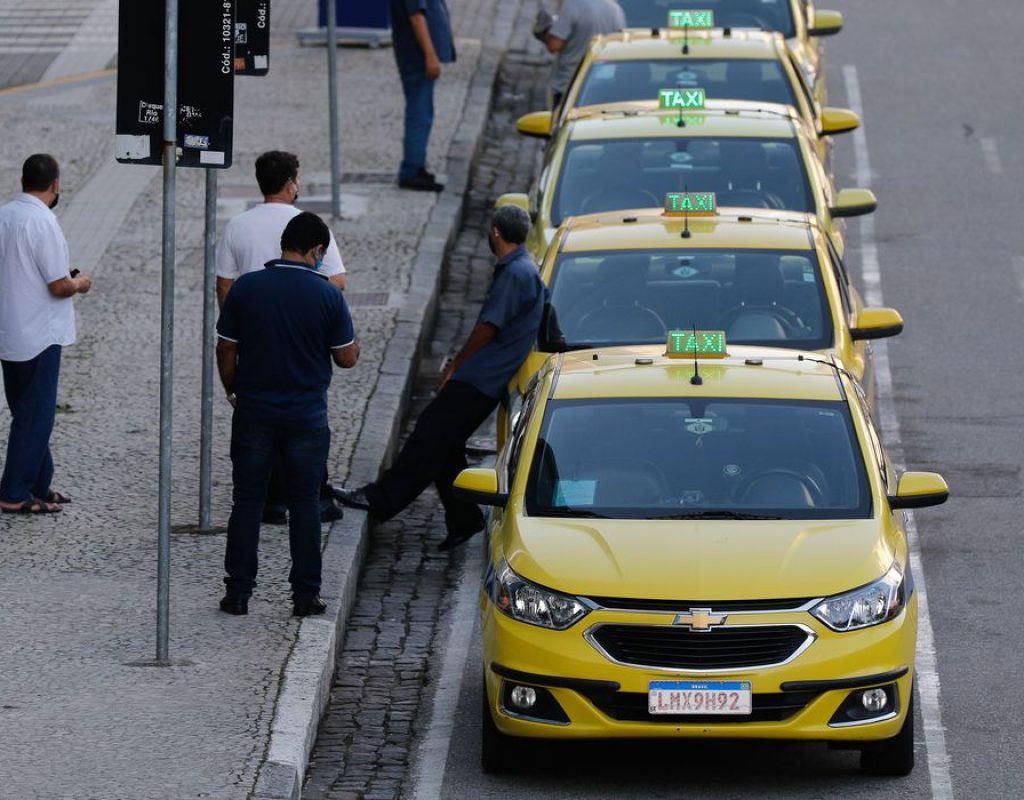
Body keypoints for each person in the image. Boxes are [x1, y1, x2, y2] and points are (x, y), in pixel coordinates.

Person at [335, 205, 545, 550]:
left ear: (495, 232)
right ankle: (464, 519)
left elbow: (487, 327)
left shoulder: (514, 275)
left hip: (479, 377)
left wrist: (456, 365)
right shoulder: (526, 269)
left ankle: (381, 498)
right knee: (445, 447)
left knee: (428, 438)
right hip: (489, 378)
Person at [215, 212, 359, 616]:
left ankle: (238, 593)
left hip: (255, 412)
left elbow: (225, 347)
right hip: (306, 418)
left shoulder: (247, 288)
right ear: (316, 251)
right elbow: (346, 357)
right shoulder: (328, 296)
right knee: (305, 504)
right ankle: (304, 595)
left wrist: (232, 388)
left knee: (246, 500)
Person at [216, 149, 347, 524]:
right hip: (303, 334)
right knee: (307, 415)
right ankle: (315, 496)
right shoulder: (308, 224)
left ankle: (270, 500)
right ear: (291, 183)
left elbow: (224, 285)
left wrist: (238, 325)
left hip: (254, 335)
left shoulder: (237, 226)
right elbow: (337, 281)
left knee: (259, 417)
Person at [0, 154, 92, 515]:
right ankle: (14, 492)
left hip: (10, 329)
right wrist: (81, 282)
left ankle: (38, 483)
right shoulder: (43, 223)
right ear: (55, 184)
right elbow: (58, 285)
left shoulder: (4, 215)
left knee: (27, 410)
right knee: (36, 415)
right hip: (40, 332)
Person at [388, 0, 456, 192]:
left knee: (423, 111)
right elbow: (416, 17)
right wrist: (430, 55)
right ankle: (412, 170)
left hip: (414, 54)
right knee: (419, 113)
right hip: (416, 56)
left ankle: (417, 165)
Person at [533, 0, 625, 108]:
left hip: (570, 84)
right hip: (604, 83)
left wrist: (544, 32)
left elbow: (554, 45)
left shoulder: (573, 5)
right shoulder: (615, 9)